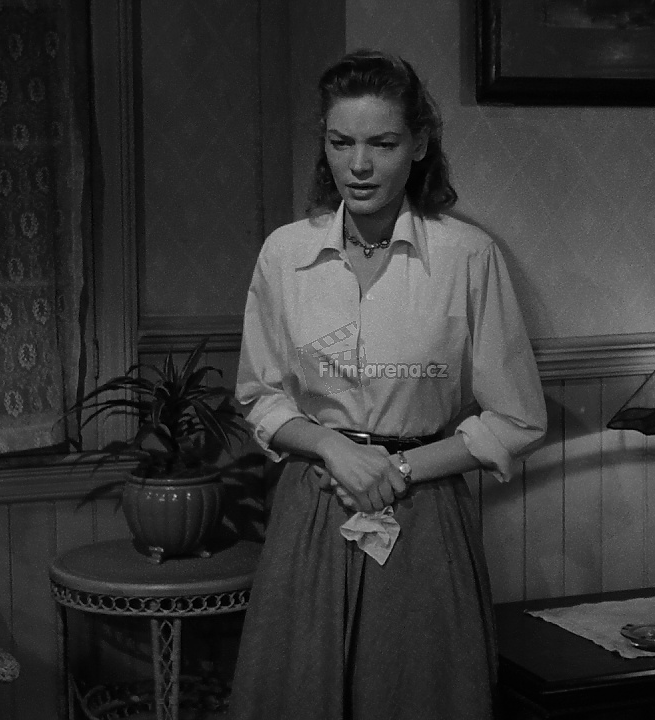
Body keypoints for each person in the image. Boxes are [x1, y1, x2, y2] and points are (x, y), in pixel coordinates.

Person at [231, 49, 546, 720]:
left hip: (423, 514)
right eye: (341, 142)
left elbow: (517, 417)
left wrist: (397, 470)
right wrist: (333, 447)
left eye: (382, 143)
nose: (359, 165)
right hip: (315, 505)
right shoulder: (285, 253)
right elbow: (260, 394)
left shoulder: (466, 256)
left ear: (420, 144)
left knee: (417, 694)